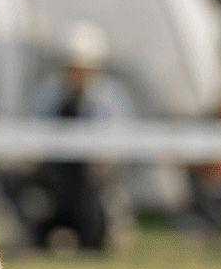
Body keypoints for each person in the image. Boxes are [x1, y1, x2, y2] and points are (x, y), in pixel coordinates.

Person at [21, 21, 135, 251]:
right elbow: (29, 143)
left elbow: (118, 152)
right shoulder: (46, 94)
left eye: (84, 68)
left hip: (94, 182)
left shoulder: (111, 97)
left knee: (101, 204)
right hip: (53, 179)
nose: (77, 75)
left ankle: (109, 231)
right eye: (71, 67)